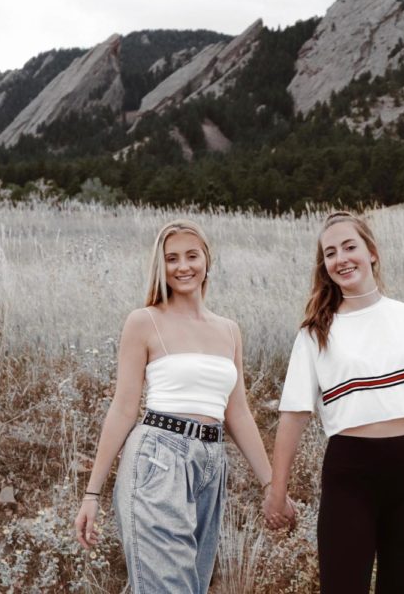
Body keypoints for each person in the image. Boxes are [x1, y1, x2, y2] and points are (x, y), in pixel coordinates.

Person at [262, 211, 404, 593]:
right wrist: (276, 491)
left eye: (350, 247)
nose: (341, 258)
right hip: (350, 476)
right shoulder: (316, 333)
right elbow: (294, 414)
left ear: (372, 253)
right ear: (325, 266)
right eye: (330, 253)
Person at [75, 219, 292, 593]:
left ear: (207, 260)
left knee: (189, 585)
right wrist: (92, 493)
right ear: (160, 266)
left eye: (192, 255)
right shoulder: (144, 322)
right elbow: (124, 408)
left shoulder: (228, 329)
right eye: (171, 258)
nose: (183, 266)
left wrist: (273, 484)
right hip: (159, 457)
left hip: (211, 462)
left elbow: (237, 412)